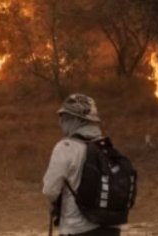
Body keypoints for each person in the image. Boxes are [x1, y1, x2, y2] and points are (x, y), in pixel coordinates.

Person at [43, 93, 118, 236]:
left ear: (76, 119)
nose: (61, 122)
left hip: (77, 230)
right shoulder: (107, 147)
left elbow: (49, 190)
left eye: (65, 117)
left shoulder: (65, 147)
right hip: (110, 229)